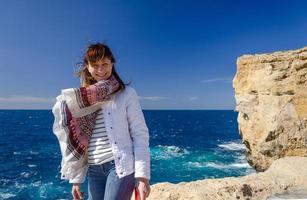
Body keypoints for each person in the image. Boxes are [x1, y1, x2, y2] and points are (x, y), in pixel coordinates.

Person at [52, 43, 151, 200]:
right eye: (95, 65)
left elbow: (140, 134)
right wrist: (76, 180)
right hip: (93, 169)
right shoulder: (82, 100)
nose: (100, 70)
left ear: (112, 63)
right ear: (87, 67)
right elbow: (82, 143)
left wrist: (142, 177)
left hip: (119, 167)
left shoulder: (126, 94)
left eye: (105, 64)